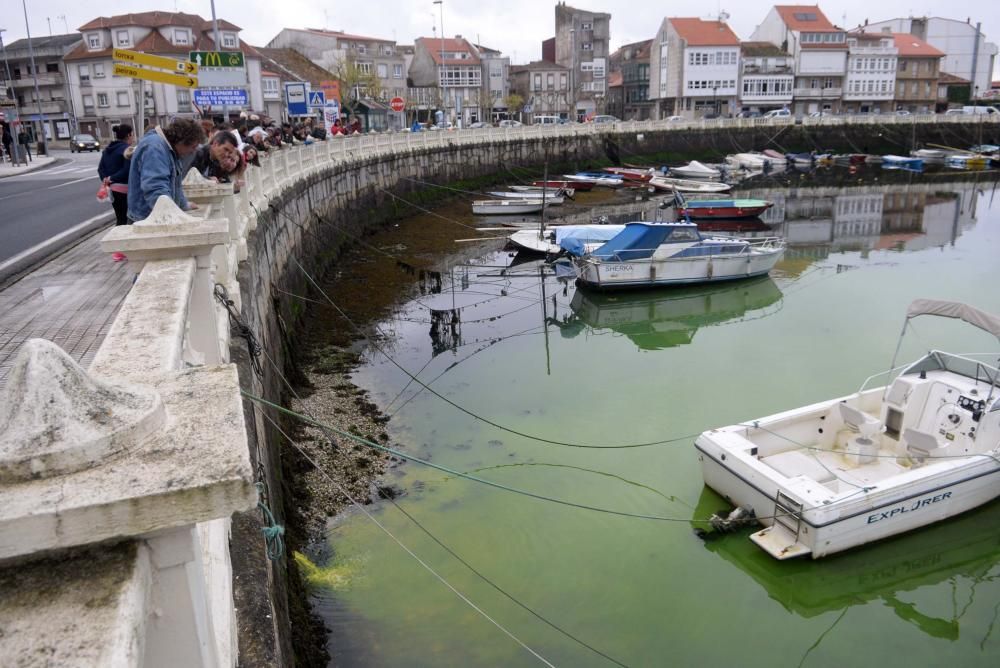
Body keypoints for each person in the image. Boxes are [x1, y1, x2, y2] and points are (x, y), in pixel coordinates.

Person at [127, 118, 205, 222]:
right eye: (193, 147)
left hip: (155, 217)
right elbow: (156, 190)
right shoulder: (155, 147)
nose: (193, 151)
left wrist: (183, 205)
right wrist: (172, 216)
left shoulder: (170, 149)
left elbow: (176, 186)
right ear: (181, 141)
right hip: (146, 219)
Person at [97, 124, 135, 232]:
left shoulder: (107, 150)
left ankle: (118, 242)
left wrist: (106, 179)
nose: (133, 138)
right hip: (125, 190)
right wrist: (113, 177)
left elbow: (100, 169)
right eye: (132, 135)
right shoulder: (127, 150)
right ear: (128, 135)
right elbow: (127, 170)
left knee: (120, 218)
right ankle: (122, 244)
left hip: (112, 190)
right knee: (128, 219)